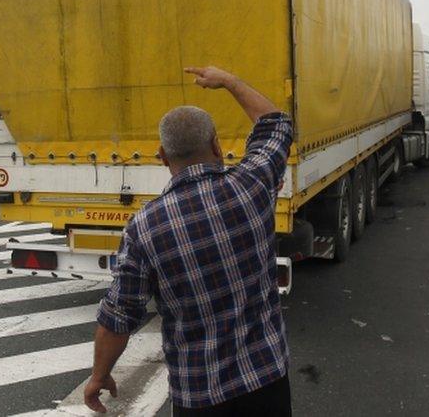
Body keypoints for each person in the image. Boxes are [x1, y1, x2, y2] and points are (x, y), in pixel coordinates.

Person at [84, 66, 293, 416]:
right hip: (266, 381)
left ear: (163, 157)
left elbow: (119, 315)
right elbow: (276, 124)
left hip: (199, 395)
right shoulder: (251, 185)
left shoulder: (145, 227)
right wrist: (230, 81)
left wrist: (98, 375)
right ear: (216, 145)